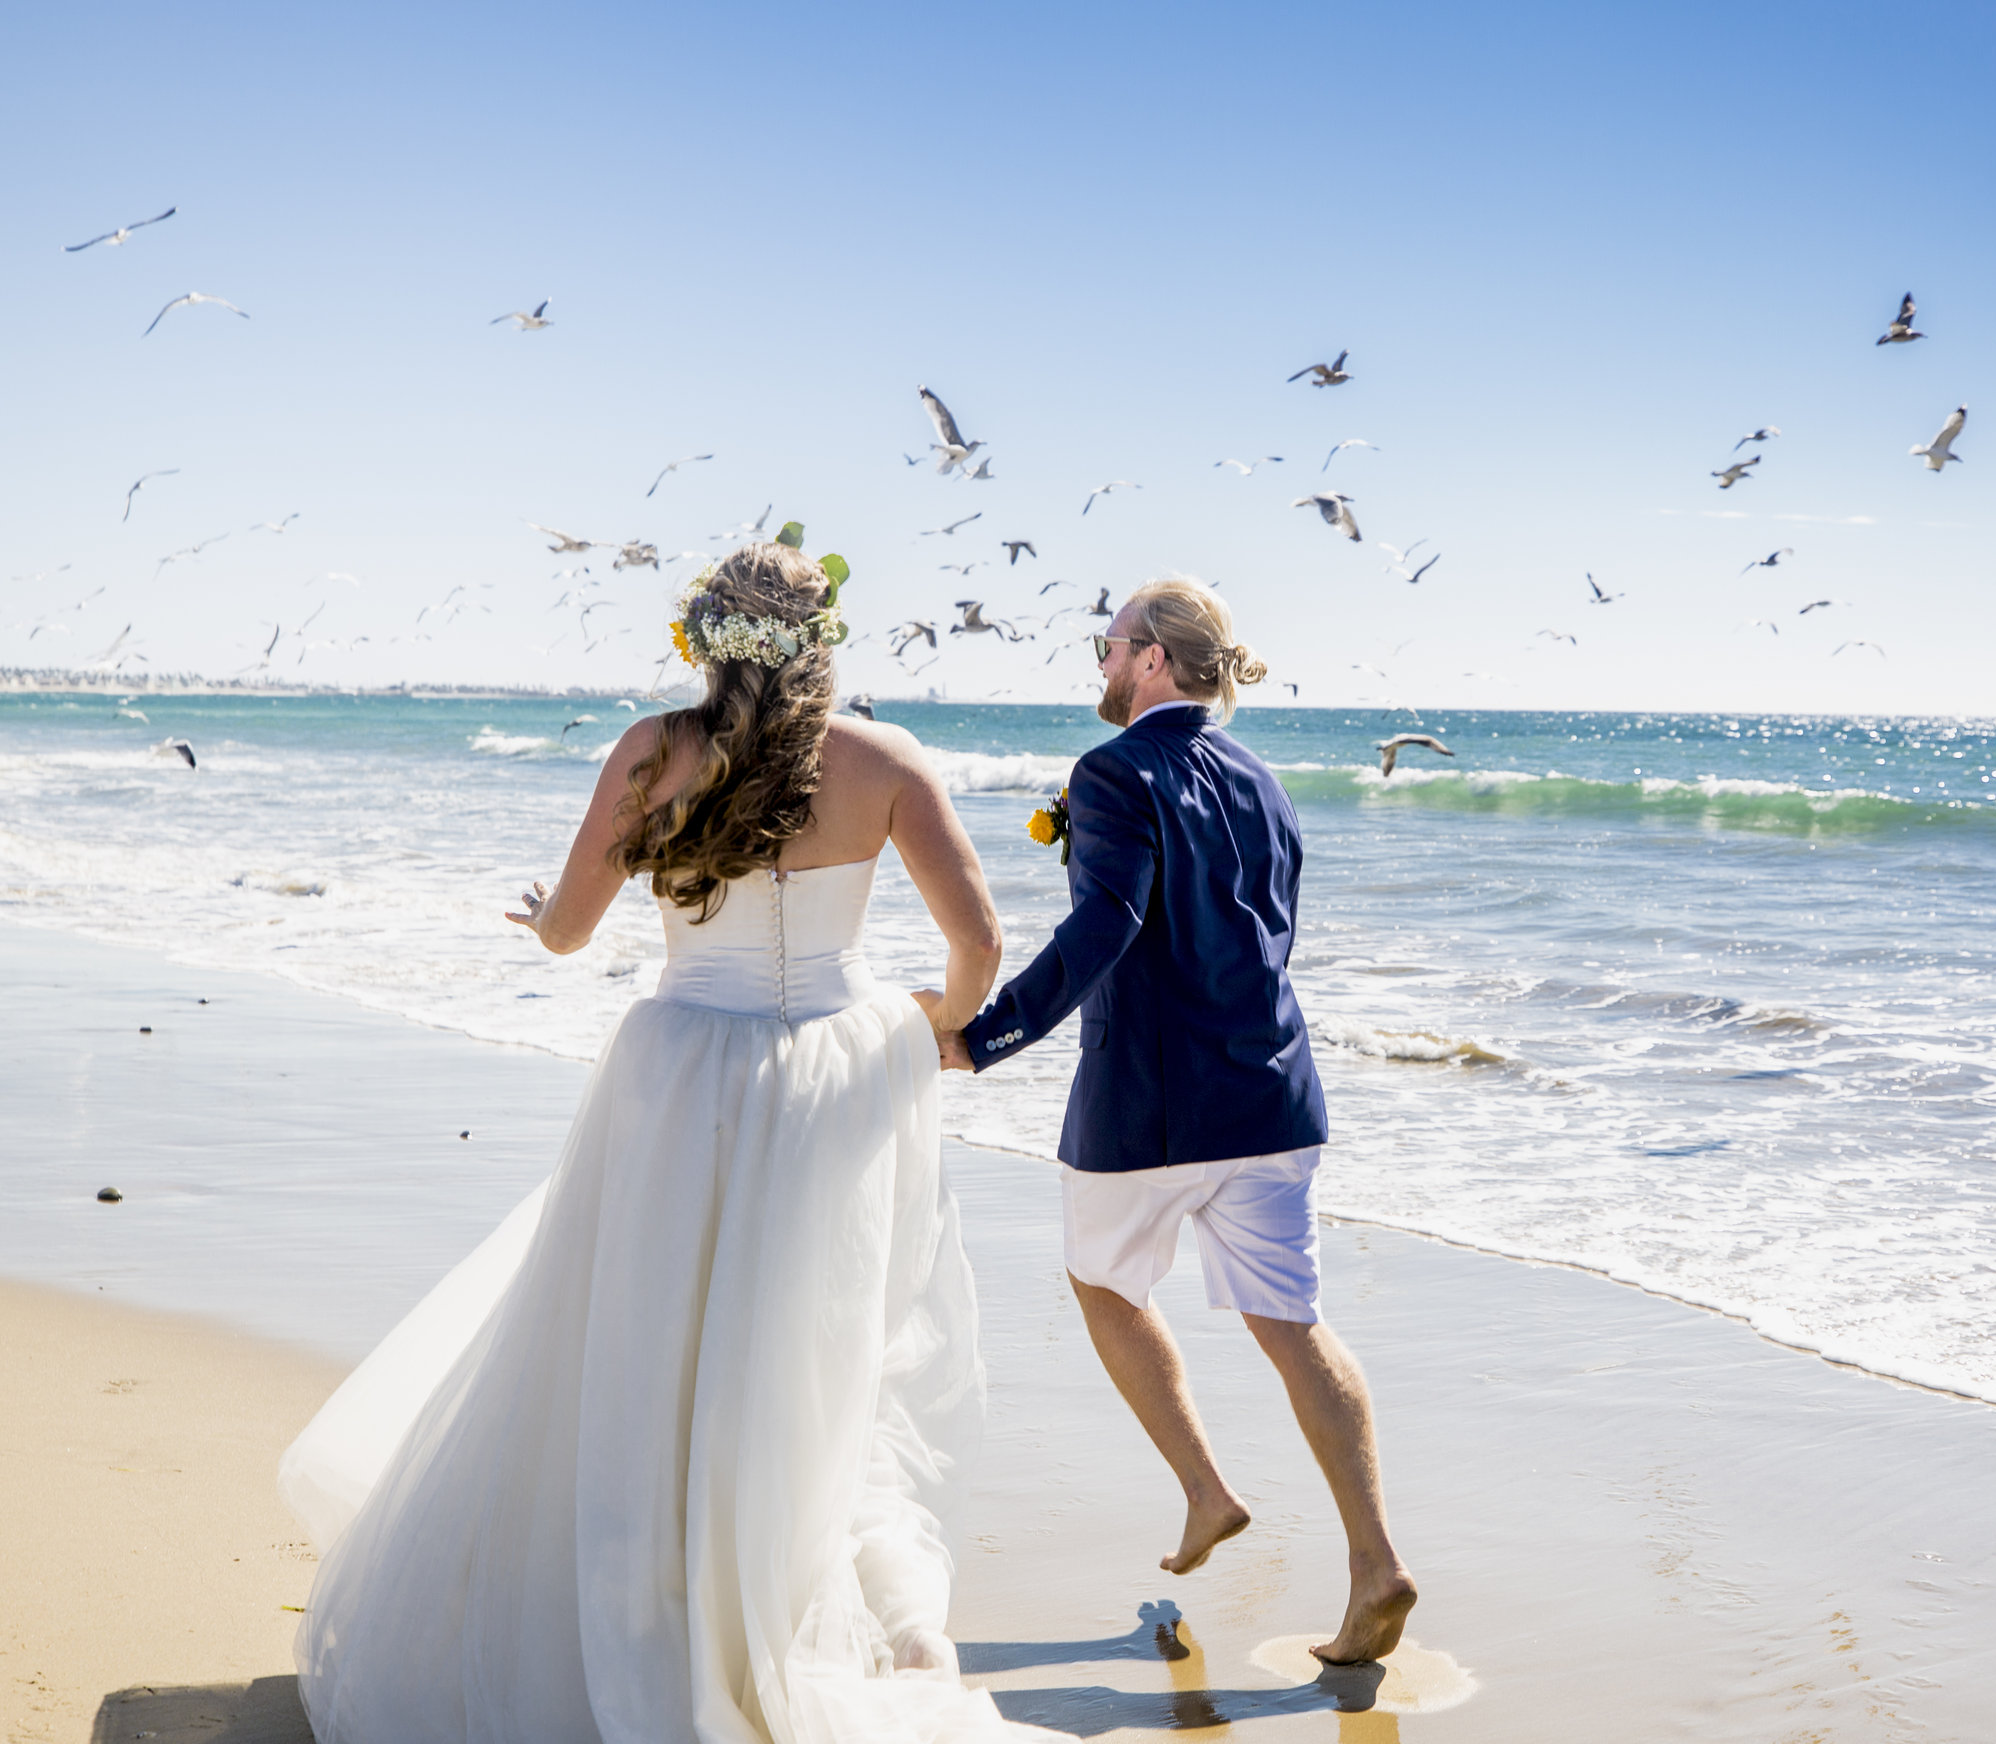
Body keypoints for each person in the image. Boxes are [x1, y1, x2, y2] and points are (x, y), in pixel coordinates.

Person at [276, 542, 1058, 1743]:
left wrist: (544, 912)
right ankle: (825, 1616)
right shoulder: (884, 761)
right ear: (818, 637)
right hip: (834, 1081)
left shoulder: (652, 751)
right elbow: (983, 943)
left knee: (646, 1347)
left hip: (679, 1068)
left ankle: (649, 1612)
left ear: (700, 637)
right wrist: (934, 1034)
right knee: (803, 1354)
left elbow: (571, 934)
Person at [932, 577, 1418, 1666]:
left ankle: (1203, 1488)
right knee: (1291, 1321)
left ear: (1150, 656)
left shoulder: (1110, 770)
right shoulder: (1265, 779)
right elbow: (1271, 930)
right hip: (1274, 1091)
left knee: (1103, 1283)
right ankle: (1375, 1560)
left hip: (1150, 1105)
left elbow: (1105, 923)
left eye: (1107, 646)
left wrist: (987, 1033)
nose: (1099, 665)